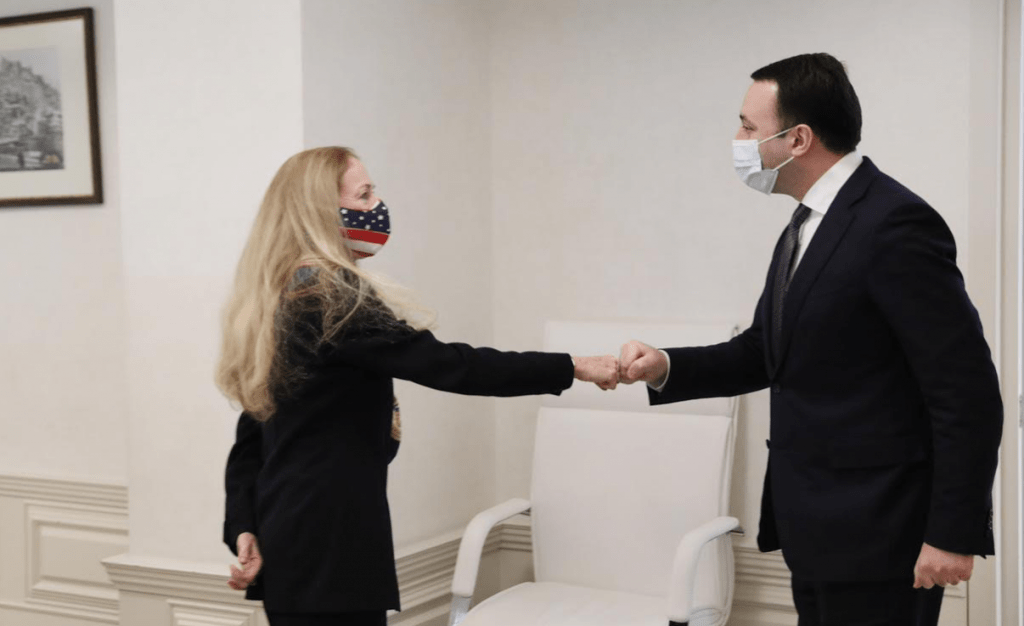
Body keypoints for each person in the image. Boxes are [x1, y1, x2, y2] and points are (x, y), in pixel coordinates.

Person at [617, 53, 1002, 626]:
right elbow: (766, 351)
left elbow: (965, 391)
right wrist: (665, 365)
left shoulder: (894, 223)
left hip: (882, 536)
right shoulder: (805, 221)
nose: (738, 141)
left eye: (747, 126)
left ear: (797, 139)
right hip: (814, 529)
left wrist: (953, 533)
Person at [215, 146, 618, 626]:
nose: (377, 206)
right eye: (364, 195)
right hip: (331, 548)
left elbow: (252, 432)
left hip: (288, 536)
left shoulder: (279, 292)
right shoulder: (331, 298)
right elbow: (455, 367)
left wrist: (244, 525)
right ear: (322, 211)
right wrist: (574, 366)